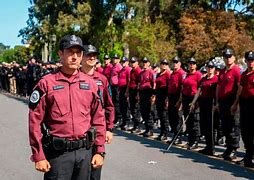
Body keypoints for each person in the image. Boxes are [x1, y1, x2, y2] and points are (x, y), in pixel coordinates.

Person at [28, 35, 106, 180]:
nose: (75, 57)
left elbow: (99, 119)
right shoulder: (46, 84)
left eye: (79, 53)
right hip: (58, 156)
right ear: (60, 54)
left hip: (85, 152)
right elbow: (35, 122)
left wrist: (99, 151)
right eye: (70, 52)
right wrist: (38, 155)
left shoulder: (91, 84)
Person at [81, 44, 115, 179]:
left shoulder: (102, 79)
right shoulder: (74, 78)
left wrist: (109, 129)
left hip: (97, 130)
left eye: (94, 55)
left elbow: (109, 106)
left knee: (95, 173)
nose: (92, 57)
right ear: (82, 57)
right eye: (88, 55)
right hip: (80, 130)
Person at [215, 48, 241, 161]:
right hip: (223, 102)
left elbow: (240, 87)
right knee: (225, 126)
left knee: (233, 126)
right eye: (226, 57)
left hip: (232, 101)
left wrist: (235, 103)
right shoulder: (222, 71)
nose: (228, 58)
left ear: (234, 58)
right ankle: (228, 148)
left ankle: (234, 149)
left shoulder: (236, 70)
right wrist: (217, 102)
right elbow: (219, 87)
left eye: (230, 56)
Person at [195, 61, 218, 155]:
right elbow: (198, 91)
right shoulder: (203, 79)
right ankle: (207, 146)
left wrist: (216, 104)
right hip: (203, 102)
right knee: (204, 125)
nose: (210, 69)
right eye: (208, 67)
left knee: (211, 126)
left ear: (214, 69)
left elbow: (217, 93)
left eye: (212, 67)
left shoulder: (216, 79)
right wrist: (193, 102)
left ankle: (211, 148)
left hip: (211, 103)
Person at [236, 51, 254, 167]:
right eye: (248, 60)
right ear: (246, 61)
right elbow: (240, 90)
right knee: (245, 131)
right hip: (244, 104)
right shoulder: (243, 74)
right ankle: (248, 156)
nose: (250, 62)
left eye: (252, 60)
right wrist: (235, 103)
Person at [181, 57, 202, 150]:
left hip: (194, 99)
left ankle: (196, 141)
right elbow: (183, 87)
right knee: (188, 120)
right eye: (190, 63)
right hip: (186, 98)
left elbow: (199, 89)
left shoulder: (198, 75)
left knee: (194, 121)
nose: (191, 65)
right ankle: (190, 140)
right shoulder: (186, 74)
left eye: (193, 63)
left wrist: (195, 101)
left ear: (196, 65)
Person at [167, 56, 186, 145]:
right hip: (171, 97)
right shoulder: (172, 74)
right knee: (171, 116)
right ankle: (174, 134)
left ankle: (178, 137)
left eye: (176, 62)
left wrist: (180, 100)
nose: (175, 64)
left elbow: (182, 88)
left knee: (177, 117)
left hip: (178, 97)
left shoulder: (182, 73)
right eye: (174, 62)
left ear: (180, 63)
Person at [138, 57, 156, 137]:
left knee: (148, 111)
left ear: (149, 63)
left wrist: (153, 95)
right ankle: (146, 129)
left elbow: (154, 84)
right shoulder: (141, 73)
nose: (144, 64)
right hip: (142, 93)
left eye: (146, 62)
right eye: (143, 62)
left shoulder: (151, 72)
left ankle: (150, 130)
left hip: (148, 92)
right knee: (143, 111)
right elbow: (140, 84)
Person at [154, 59, 171, 141]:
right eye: (162, 63)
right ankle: (161, 132)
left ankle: (165, 133)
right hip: (158, 95)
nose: (164, 65)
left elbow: (169, 87)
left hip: (164, 95)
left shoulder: (168, 75)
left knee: (164, 115)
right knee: (160, 114)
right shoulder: (158, 74)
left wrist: (167, 98)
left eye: (165, 63)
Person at [126, 57, 142, 133]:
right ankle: (135, 125)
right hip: (131, 90)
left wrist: (138, 93)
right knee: (132, 108)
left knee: (136, 109)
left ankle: (138, 126)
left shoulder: (138, 70)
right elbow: (129, 81)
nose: (132, 63)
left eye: (134, 62)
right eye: (131, 62)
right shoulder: (132, 70)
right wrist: (127, 91)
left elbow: (139, 82)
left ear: (137, 62)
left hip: (136, 90)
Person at [118, 56, 131, 130]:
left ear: (127, 62)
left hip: (126, 89)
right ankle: (123, 122)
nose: (123, 63)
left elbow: (129, 81)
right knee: (122, 106)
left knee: (126, 107)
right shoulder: (121, 70)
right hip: (121, 89)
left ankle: (127, 122)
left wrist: (127, 91)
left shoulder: (128, 70)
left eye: (125, 62)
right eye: (122, 62)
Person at [110, 54, 123, 125]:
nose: (115, 59)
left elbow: (121, 77)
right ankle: (115, 118)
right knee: (113, 103)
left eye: (116, 58)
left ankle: (119, 118)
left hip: (117, 86)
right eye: (114, 58)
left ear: (119, 59)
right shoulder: (113, 67)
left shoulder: (119, 67)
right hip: (112, 86)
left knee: (117, 103)